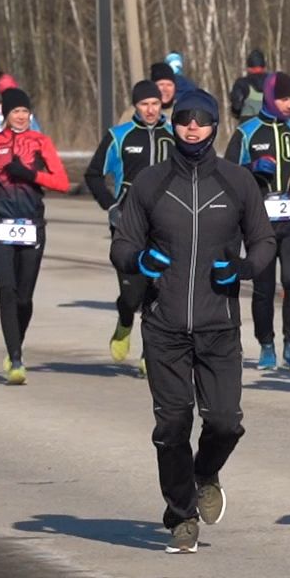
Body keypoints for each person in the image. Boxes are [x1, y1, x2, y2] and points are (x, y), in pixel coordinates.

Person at [110, 87, 276, 554]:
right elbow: (122, 244)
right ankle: (181, 516)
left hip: (218, 324)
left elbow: (264, 242)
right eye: (184, 119)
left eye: (201, 120)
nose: (192, 127)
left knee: (225, 423)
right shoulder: (150, 183)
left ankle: (203, 473)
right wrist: (139, 261)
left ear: (215, 126)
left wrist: (242, 268)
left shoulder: (237, 181)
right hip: (163, 324)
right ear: (173, 123)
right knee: (172, 426)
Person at [230, 71, 290, 371]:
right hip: (260, 222)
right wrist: (252, 168)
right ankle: (266, 346)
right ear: (270, 99)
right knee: (264, 286)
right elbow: (226, 170)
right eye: (284, 99)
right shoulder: (247, 132)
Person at [0, 88, 69, 383]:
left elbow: (63, 183)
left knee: (24, 298)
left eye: (25, 111)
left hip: (31, 224)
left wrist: (30, 174)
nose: (21, 116)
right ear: (6, 114)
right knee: (7, 290)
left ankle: (17, 342)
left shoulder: (41, 142)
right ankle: (15, 358)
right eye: (15, 111)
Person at [87, 79, 174, 366]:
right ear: (135, 106)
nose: (150, 110)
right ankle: (125, 321)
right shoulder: (119, 136)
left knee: (158, 290)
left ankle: (150, 354)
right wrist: (111, 206)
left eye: (155, 104)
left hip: (163, 224)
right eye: (144, 104)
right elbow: (93, 175)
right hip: (127, 223)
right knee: (132, 294)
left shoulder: (174, 135)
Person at [227, 48, 269, 122]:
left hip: (248, 124)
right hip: (270, 124)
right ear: (264, 66)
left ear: (248, 67)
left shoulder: (241, 84)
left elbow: (236, 107)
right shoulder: (274, 82)